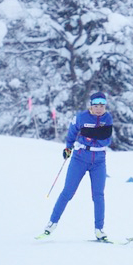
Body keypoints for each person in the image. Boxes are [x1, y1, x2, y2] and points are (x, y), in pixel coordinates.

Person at [40, 92, 113, 241]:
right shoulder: (81, 117)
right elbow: (72, 134)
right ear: (90, 106)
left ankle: (99, 230)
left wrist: (88, 135)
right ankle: (51, 224)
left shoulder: (108, 118)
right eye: (96, 106)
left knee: (98, 195)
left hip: (99, 161)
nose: (99, 109)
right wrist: (68, 147)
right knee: (68, 192)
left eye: (102, 106)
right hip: (79, 159)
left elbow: (106, 140)